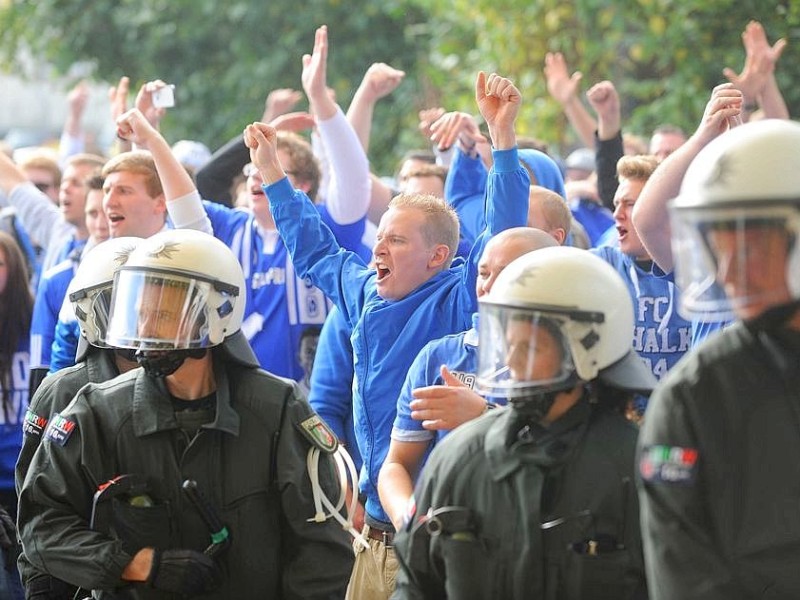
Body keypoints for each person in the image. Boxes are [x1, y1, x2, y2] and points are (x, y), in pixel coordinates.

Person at [246, 67, 530, 599]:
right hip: (374, 534)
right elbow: (314, 249)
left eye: (397, 241)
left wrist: (503, 137)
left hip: (443, 537)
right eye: (382, 237)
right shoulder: (362, 291)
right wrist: (270, 173)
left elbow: (505, 233)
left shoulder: (457, 295)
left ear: (439, 257)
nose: (379, 248)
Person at [17, 228, 354, 598]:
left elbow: (321, 552)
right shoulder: (95, 412)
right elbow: (42, 526)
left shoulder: (277, 410)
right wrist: (135, 564)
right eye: (140, 314)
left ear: (216, 314)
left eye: (163, 316)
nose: (145, 330)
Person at [393, 247, 655, 598]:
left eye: (530, 348)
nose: (512, 364)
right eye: (507, 345)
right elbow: (415, 585)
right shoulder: (458, 457)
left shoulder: (636, 467)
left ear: (586, 351)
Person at [637, 118, 800, 598]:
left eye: (748, 247)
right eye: (716, 249)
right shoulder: (694, 394)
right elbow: (681, 566)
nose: (728, 272)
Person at [378, 226, 559, 530]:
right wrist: (409, 523)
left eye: (505, 274)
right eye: (483, 273)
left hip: (533, 539)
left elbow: (571, 456)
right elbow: (396, 464)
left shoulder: (570, 361)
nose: (487, 285)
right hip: (449, 544)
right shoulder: (440, 357)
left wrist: (482, 415)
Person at [17, 236, 142, 600]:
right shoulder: (61, 390)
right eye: (116, 305)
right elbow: (36, 513)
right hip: (72, 579)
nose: (134, 318)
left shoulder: (183, 383)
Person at [591, 155, 692, 388]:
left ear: (660, 211)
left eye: (630, 204)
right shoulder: (602, 265)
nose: (617, 214)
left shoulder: (695, 270)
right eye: (617, 204)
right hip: (623, 417)